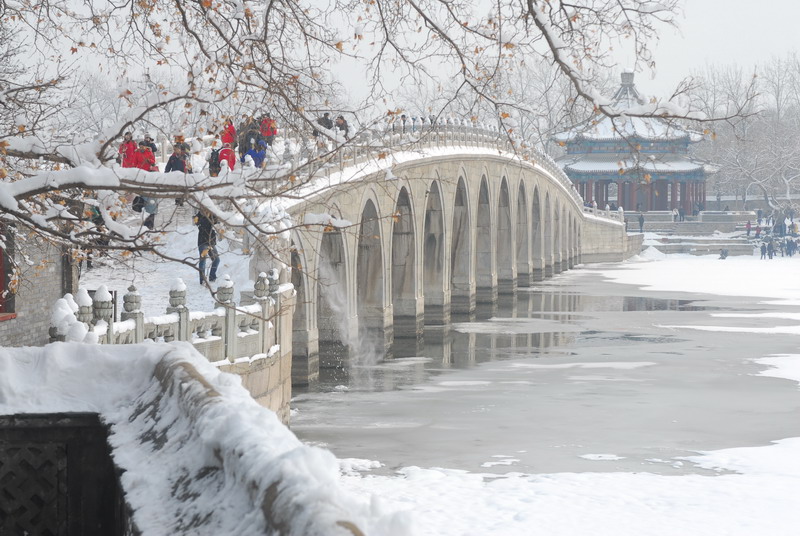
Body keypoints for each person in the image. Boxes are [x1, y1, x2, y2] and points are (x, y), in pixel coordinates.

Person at [194, 209, 220, 284]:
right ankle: (202, 280)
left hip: (211, 242)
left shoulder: (212, 214)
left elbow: (216, 222)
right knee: (203, 261)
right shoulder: (200, 215)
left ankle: (212, 277)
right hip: (203, 242)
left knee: (216, 260)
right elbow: (199, 223)